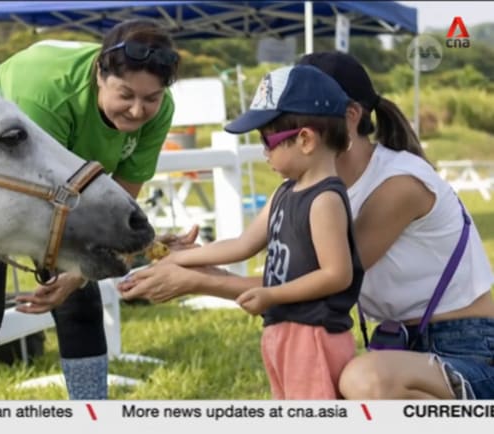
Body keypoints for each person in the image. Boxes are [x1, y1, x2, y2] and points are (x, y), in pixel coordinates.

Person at [121, 51, 494, 400]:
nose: (266, 148)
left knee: (364, 382)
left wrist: (200, 281)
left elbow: (319, 284)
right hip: (397, 346)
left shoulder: (398, 186)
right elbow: (251, 248)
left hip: (468, 349)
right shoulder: (301, 186)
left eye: (273, 133)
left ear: (346, 116)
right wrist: (185, 259)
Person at [0, 19, 181, 400]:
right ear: (100, 73)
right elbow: (36, 191)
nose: (137, 110)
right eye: (125, 94)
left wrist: (77, 275)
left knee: (79, 300)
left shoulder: (159, 110)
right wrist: (73, 267)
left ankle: (92, 416)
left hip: (66, 187)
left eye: (151, 98)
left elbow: (120, 197)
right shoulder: (46, 94)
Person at [123, 64, 364, 399]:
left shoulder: (324, 200)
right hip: (283, 330)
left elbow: (337, 275)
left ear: (306, 140)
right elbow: (243, 244)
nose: (264, 152)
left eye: (268, 141)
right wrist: (185, 257)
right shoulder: (285, 192)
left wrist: (272, 295)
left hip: (313, 336)